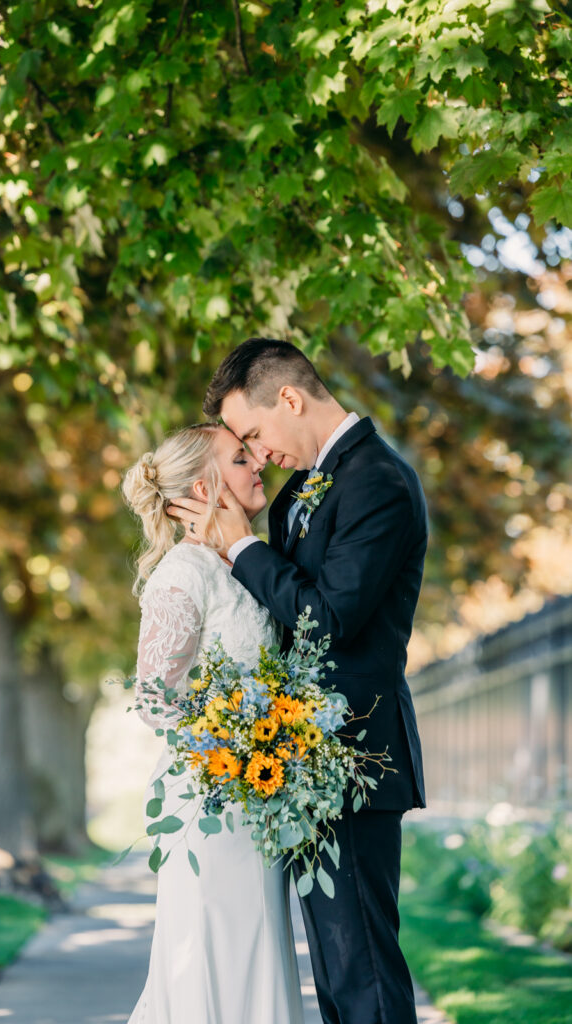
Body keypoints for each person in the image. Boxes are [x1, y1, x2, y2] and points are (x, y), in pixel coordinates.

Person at [167, 338, 427, 1024]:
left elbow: (327, 617)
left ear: (289, 398)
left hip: (354, 757)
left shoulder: (377, 482)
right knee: (338, 979)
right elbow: (271, 610)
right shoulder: (305, 490)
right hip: (304, 761)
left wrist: (242, 546)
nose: (256, 454)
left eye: (252, 434)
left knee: (363, 971)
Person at [121, 422, 304, 1024]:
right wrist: (233, 748)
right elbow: (154, 697)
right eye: (240, 457)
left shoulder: (247, 564)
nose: (259, 465)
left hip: (259, 799)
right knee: (211, 953)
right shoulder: (183, 574)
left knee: (259, 951)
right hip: (211, 800)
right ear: (204, 487)